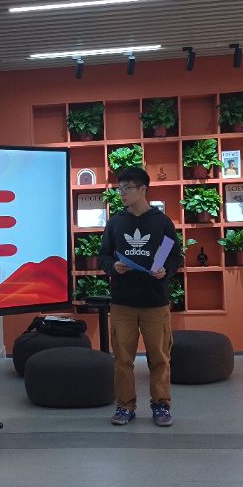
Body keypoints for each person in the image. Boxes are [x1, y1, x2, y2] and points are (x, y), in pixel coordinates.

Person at [98, 167, 182, 427]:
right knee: (123, 359)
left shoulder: (161, 222)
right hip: (122, 302)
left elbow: (174, 256)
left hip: (155, 302)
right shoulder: (116, 223)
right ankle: (125, 406)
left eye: (127, 188)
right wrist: (114, 267)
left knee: (160, 358)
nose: (122, 193)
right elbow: (104, 256)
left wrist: (165, 270)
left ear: (143, 189)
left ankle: (161, 406)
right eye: (119, 189)